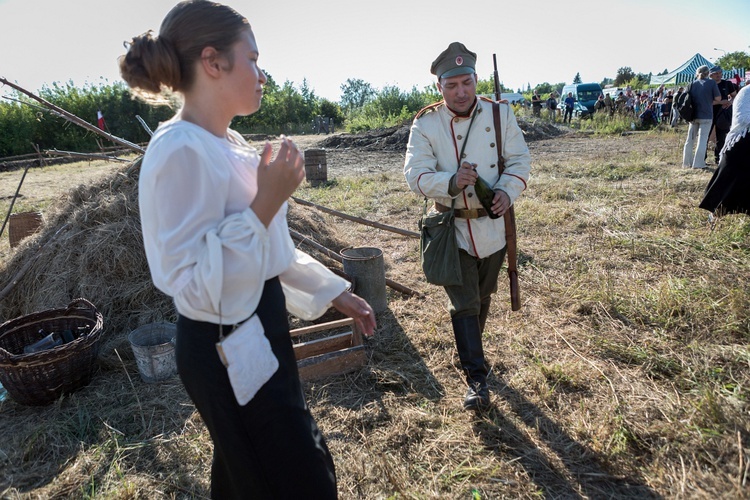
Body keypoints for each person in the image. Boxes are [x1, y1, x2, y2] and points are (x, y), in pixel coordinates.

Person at [119, 1, 376, 497]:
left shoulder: (225, 139)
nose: (262, 73)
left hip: (255, 327)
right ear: (214, 62)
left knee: (249, 472)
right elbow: (192, 284)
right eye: (253, 59)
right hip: (222, 342)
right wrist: (266, 202)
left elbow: (264, 250)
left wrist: (332, 290)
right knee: (294, 479)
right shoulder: (177, 150)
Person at [403, 42, 531, 411]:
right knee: (463, 303)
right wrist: (449, 180)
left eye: (466, 83)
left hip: (492, 229)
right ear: (439, 88)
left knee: (482, 296)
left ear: (475, 80)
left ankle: (472, 355)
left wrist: (508, 190)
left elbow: (520, 158)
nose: (461, 92)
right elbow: (414, 173)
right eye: (451, 85)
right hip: (450, 228)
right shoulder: (426, 123)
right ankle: (476, 377)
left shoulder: (499, 114)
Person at [699, 84, 750, 216]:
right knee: (727, 182)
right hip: (740, 142)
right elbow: (743, 119)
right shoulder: (746, 92)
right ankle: (716, 212)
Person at [682, 65, 721, 169]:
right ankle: (698, 164)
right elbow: (718, 98)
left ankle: (686, 163)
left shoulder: (691, 84)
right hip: (706, 115)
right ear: (708, 73)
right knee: (702, 140)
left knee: (690, 140)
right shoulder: (711, 83)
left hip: (693, 115)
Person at [708, 65, 738, 164]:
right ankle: (702, 158)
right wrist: (720, 102)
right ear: (710, 75)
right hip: (709, 112)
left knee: (721, 137)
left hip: (723, 113)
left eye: (720, 73)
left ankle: (719, 158)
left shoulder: (727, 84)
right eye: (716, 73)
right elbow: (706, 100)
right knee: (706, 136)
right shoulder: (707, 85)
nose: (719, 75)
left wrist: (730, 102)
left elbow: (734, 96)